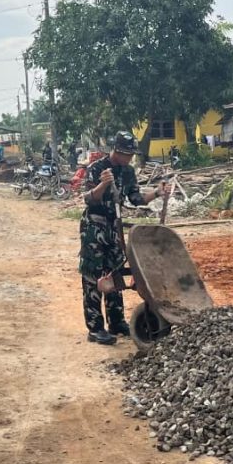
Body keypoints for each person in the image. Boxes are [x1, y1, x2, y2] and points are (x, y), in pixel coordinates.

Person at [79, 131, 172, 345]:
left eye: (131, 155)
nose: (129, 158)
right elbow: (88, 199)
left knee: (115, 273)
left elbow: (136, 198)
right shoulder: (97, 168)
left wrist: (157, 193)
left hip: (114, 228)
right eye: (126, 154)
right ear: (116, 151)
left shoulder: (128, 172)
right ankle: (95, 328)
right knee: (93, 276)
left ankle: (117, 321)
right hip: (95, 227)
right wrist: (103, 185)